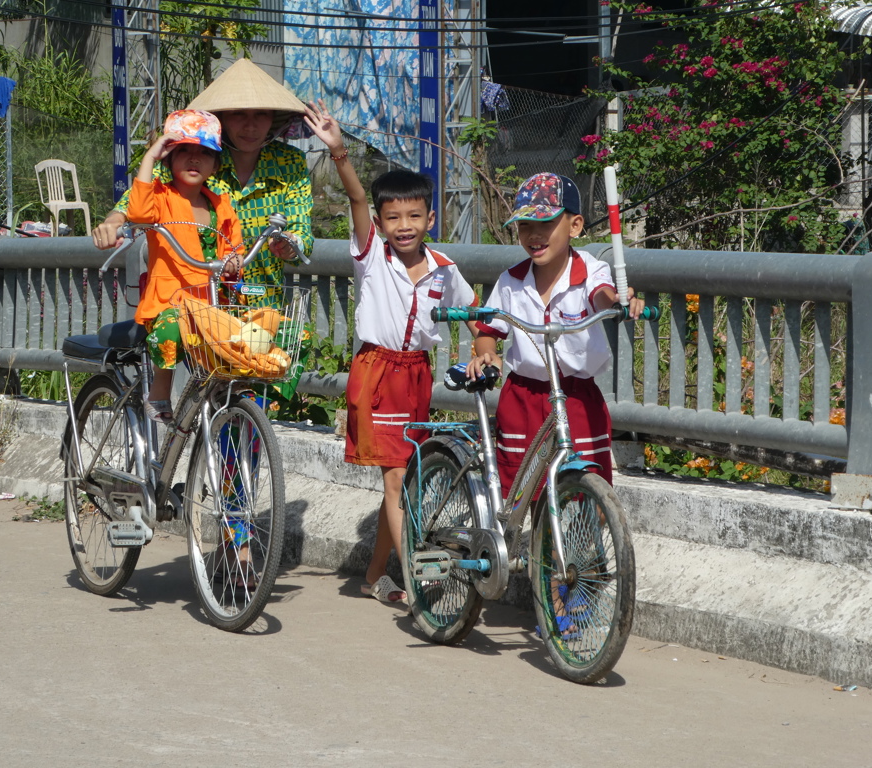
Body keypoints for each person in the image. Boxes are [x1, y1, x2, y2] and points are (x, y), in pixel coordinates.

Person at [304, 100, 480, 606]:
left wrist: (485, 346)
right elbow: (357, 200)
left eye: (414, 215)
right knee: (399, 477)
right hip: (376, 372)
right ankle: (422, 580)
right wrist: (339, 153)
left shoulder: (445, 268)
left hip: (417, 375)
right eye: (392, 216)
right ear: (379, 223)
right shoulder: (370, 257)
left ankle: (374, 575)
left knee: (405, 479)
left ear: (429, 218)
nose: (403, 225)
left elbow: (475, 312)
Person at [468, 172, 644, 492]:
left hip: (578, 398)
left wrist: (620, 300)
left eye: (545, 224)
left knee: (586, 487)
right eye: (525, 225)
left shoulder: (591, 270)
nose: (534, 234)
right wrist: (487, 352)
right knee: (522, 491)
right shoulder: (511, 280)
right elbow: (488, 330)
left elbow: (602, 294)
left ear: (575, 226)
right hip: (523, 398)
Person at [93, 58, 313, 285]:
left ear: (273, 119)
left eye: (261, 114)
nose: (250, 126)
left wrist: (290, 243)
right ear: (222, 119)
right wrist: (113, 221)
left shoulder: (290, 161)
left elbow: (302, 230)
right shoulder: (195, 157)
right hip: (198, 297)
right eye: (239, 114)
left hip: (264, 298)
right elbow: (137, 200)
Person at [127, 108, 242, 423]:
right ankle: (159, 390)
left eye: (204, 153)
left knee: (243, 345)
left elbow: (235, 246)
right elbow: (137, 213)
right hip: (169, 302)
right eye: (185, 152)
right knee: (172, 331)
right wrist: (150, 156)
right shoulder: (161, 198)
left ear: (216, 163)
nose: (194, 159)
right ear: (169, 158)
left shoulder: (221, 205)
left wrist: (235, 260)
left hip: (211, 304)